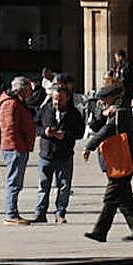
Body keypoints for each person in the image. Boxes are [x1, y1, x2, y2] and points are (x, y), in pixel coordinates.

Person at [82, 83, 133, 242]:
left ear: (114, 97)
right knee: (124, 199)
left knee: (111, 197)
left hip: (123, 160)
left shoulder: (122, 111)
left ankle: (100, 231)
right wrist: (103, 113)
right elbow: (94, 126)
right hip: (114, 160)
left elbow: (108, 130)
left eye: (105, 98)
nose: (102, 101)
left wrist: (89, 146)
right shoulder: (109, 110)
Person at [33, 81, 84, 223]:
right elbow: (36, 125)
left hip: (64, 154)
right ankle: (40, 212)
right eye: (55, 98)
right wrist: (45, 131)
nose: (57, 102)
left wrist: (65, 135)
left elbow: (80, 132)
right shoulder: (45, 109)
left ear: (67, 98)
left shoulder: (73, 113)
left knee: (64, 185)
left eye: (60, 99)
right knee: (43, 185)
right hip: (46, 153)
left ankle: (60, 212)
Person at [0, 76, 36, 225]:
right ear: (22, 89)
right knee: (13, 181)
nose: (31, 92)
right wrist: (18, 145)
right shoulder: (11, 104)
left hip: (19, 146)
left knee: (16, 181)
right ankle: (11, 213)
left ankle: (13, 212)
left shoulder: (17, 102)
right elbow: (10, 128)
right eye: (29, 89)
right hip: (15, 147)